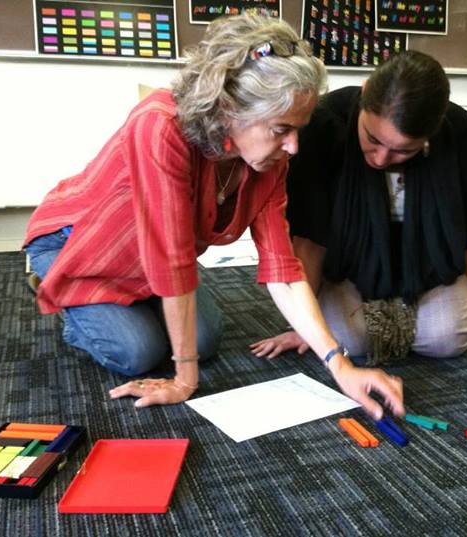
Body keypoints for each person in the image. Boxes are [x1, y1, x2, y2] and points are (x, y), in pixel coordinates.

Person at [23, 14, 403, 419]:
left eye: (299, 130)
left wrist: (341, 366)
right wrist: (184, 381)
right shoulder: (159, 125)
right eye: (281, 129)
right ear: (229, 107)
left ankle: (138, 305)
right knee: (137, 352)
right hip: (80, 246)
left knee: (203, 341)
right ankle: (54, 285)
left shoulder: (270, 159)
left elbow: (284, 271)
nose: (293, 146)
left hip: (152, 260)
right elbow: (172, 262)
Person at [251, 51, 467, 366]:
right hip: (347, 265)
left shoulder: (457, 130)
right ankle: (378, 304)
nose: (380, 159)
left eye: (403, 151)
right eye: (373, 139)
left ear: (429, 135)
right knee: (350, 341)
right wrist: (302, 327)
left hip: (426, 263)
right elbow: (309, 240)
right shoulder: (325, 124)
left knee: (449, 339)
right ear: (365, 95)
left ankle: (401, 304)